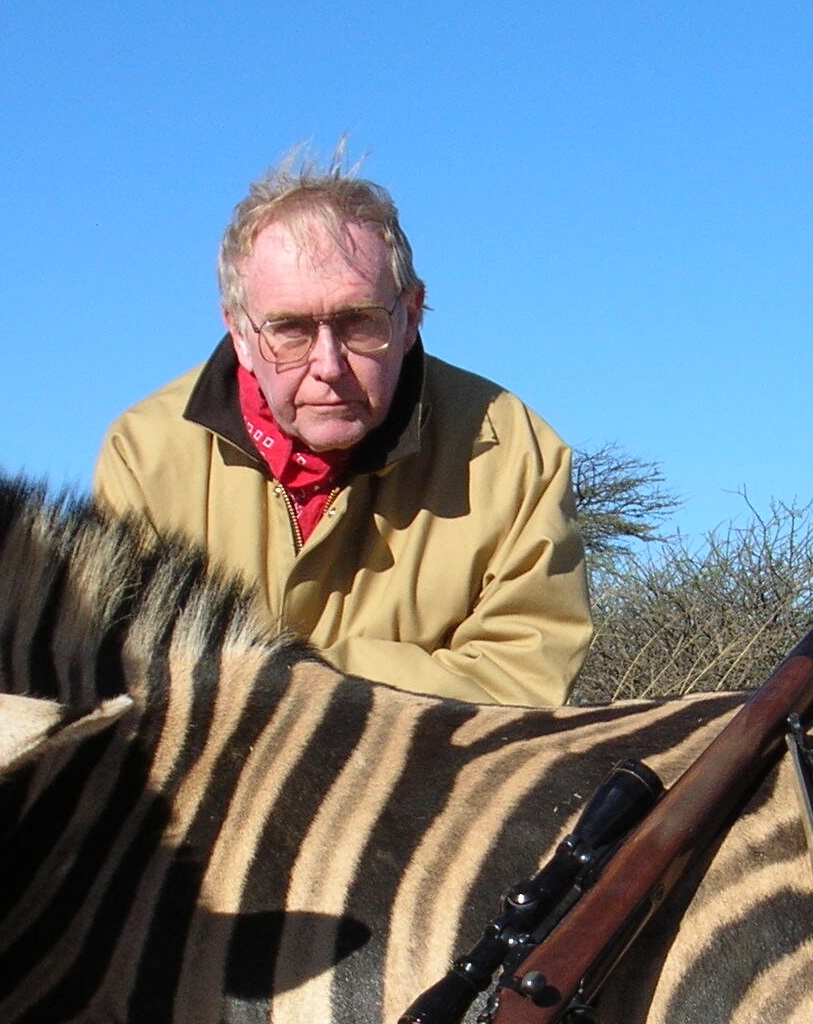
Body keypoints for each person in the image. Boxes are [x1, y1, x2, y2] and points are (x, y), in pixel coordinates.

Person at [93, 163, 592, 706]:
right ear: (239, 331)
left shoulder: (514, 449)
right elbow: (124, 669)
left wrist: (284, 679)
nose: (329, 365)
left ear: (411, 314)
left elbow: (522, 676)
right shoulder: (144, 454)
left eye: (359, 322)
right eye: (291, 329)